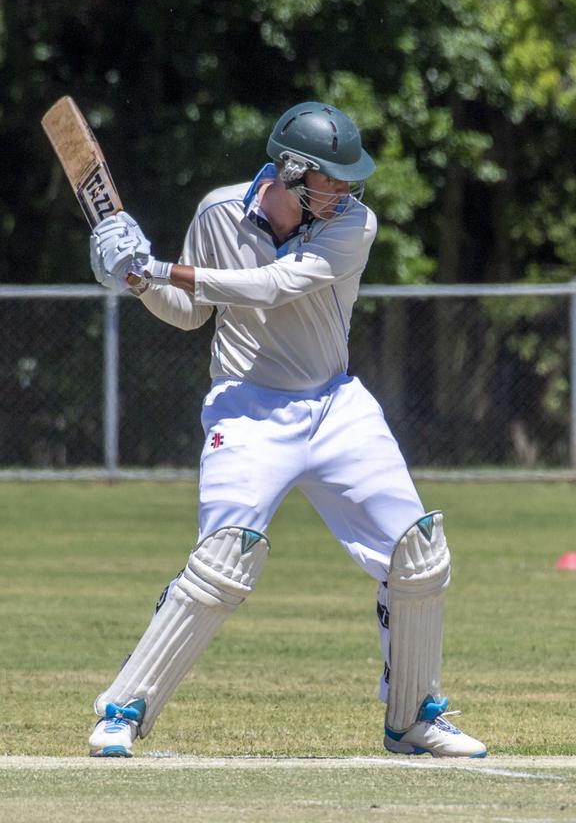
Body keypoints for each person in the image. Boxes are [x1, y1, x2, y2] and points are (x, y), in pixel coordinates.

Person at [86, 100, 486, 760]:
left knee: (418, 553)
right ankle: (122, 711)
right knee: (222, 561)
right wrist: (136, 280)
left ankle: (413, 719)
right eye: (333, 178)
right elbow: (190, 312)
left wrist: (155, 267)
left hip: (334, 404)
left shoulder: (353, 223)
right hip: (246, 406)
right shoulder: (218, 212)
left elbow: (273, 286)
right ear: (293, 169)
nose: (347, 190)